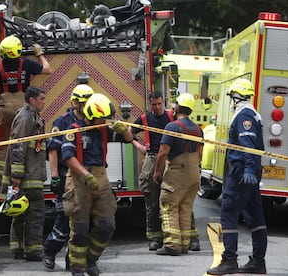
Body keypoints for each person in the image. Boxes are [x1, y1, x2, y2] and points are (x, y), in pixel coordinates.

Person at [61, 93, 133, 276]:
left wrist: (123, 128)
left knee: (107, 224)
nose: (103, 121)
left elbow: (129, 138)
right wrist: (85, 175)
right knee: (80, 228)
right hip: (79, 179)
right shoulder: (74, 130)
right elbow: (68, 156)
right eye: (100, 118)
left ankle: (91, 260)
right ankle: (77, 268)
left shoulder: (104, 129)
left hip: (101, 178)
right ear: (90, 116)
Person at [207, 79, 267, 275]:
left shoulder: (244, 116)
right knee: (255, 216)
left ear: (236, 97)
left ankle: (230, 260)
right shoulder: (251, 113)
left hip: (241, 170)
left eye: (232, 97)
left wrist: (249, 168)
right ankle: (258, 261)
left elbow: (247, 144)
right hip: (248, 170)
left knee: (229, 213)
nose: (231, 102)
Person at [0, 35, 52, 181]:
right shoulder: (26, 63)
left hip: (5, 110)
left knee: (3, 144)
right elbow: (47, 69)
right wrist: (39, 53)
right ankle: (26, 176)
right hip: (24, 111)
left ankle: (3, 179)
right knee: (27, 143)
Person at [131, 91, 201, 252]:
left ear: (164, 102)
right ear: (149, 104)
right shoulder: (143, 119)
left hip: (172, 159)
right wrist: (139, 146)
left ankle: (191, 239)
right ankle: (155, 238)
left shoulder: (172, 119)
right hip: (153, 157)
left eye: (159, 103)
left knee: (179, 200)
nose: (157, 107)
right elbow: (130, 132)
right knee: (152, 201)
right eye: (153, 104)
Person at [42, 84, 94, 270]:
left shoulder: (92, 120)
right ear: (75, 102)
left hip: (85, 177)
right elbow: (53, 150)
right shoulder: (62, 122)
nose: (87, 104)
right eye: (84, 101)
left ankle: (72, 259)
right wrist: (55, 176)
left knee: (82, 222)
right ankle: (49, 251)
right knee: (64, 219)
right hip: (66, 176)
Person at [152, 93, 203, 256]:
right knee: (185, 207)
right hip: (194, 173)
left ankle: (172, 245)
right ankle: (185, 243)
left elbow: (162, 152)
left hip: (177, 172)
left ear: (178, 107)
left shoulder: (172, 127)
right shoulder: (198, 129)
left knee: (169, 205)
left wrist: (158, 171)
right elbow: (200, 152)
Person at [1, 86, 47, 261]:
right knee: (35, 214)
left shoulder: (34, 117)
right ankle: (33, 251)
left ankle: (19, 248)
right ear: (32, 100)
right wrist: (17, 177)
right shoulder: (25, 117)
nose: (44, 102)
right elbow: (18, 146)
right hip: (27, 177)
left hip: (30, 175)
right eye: (41, 98)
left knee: (21, 214)